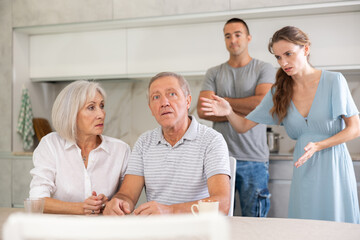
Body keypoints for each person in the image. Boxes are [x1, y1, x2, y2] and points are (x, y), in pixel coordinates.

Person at [200, 26, 360, 223]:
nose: (283, 62)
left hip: (334, 165)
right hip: (304, 169)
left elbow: (355, 128)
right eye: (278, 57)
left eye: (288, 54)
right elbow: (242, 126)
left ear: (306, 49)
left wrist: (319, 145)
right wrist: (229, 112)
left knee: (337, 223)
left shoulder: (334, 81)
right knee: (305, 226)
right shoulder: (279, 92)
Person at [103, 72, 231, 215]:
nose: (164, 103)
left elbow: (222, 203)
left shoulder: (212, 140)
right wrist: (118, 202)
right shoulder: (144, 142)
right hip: (157, 232)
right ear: (151, 108)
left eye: (172, 94)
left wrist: (169, 210)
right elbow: (127, 195)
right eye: (156, 97)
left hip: (198, 230)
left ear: (188, 101)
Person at [197, 18, 275, 217]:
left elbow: (262, 104)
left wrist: (224, 106)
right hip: (219, 160)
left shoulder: (264, 69)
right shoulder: (214, 72)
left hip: (254, 160)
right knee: (218, 221)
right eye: (227, 35)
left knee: (255, 222)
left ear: (248, 38)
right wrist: (244, 109)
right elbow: (203, 110)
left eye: (238, 34)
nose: (233, 40)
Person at [29, 80, 130, 215]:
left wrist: (109, 204)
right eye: (91, 107)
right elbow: (36, 201)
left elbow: (127, 199)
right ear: (70, 113)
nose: (101, 114)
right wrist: (81, 208)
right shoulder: (51, 144)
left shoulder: (121, 150)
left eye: (102, 106)